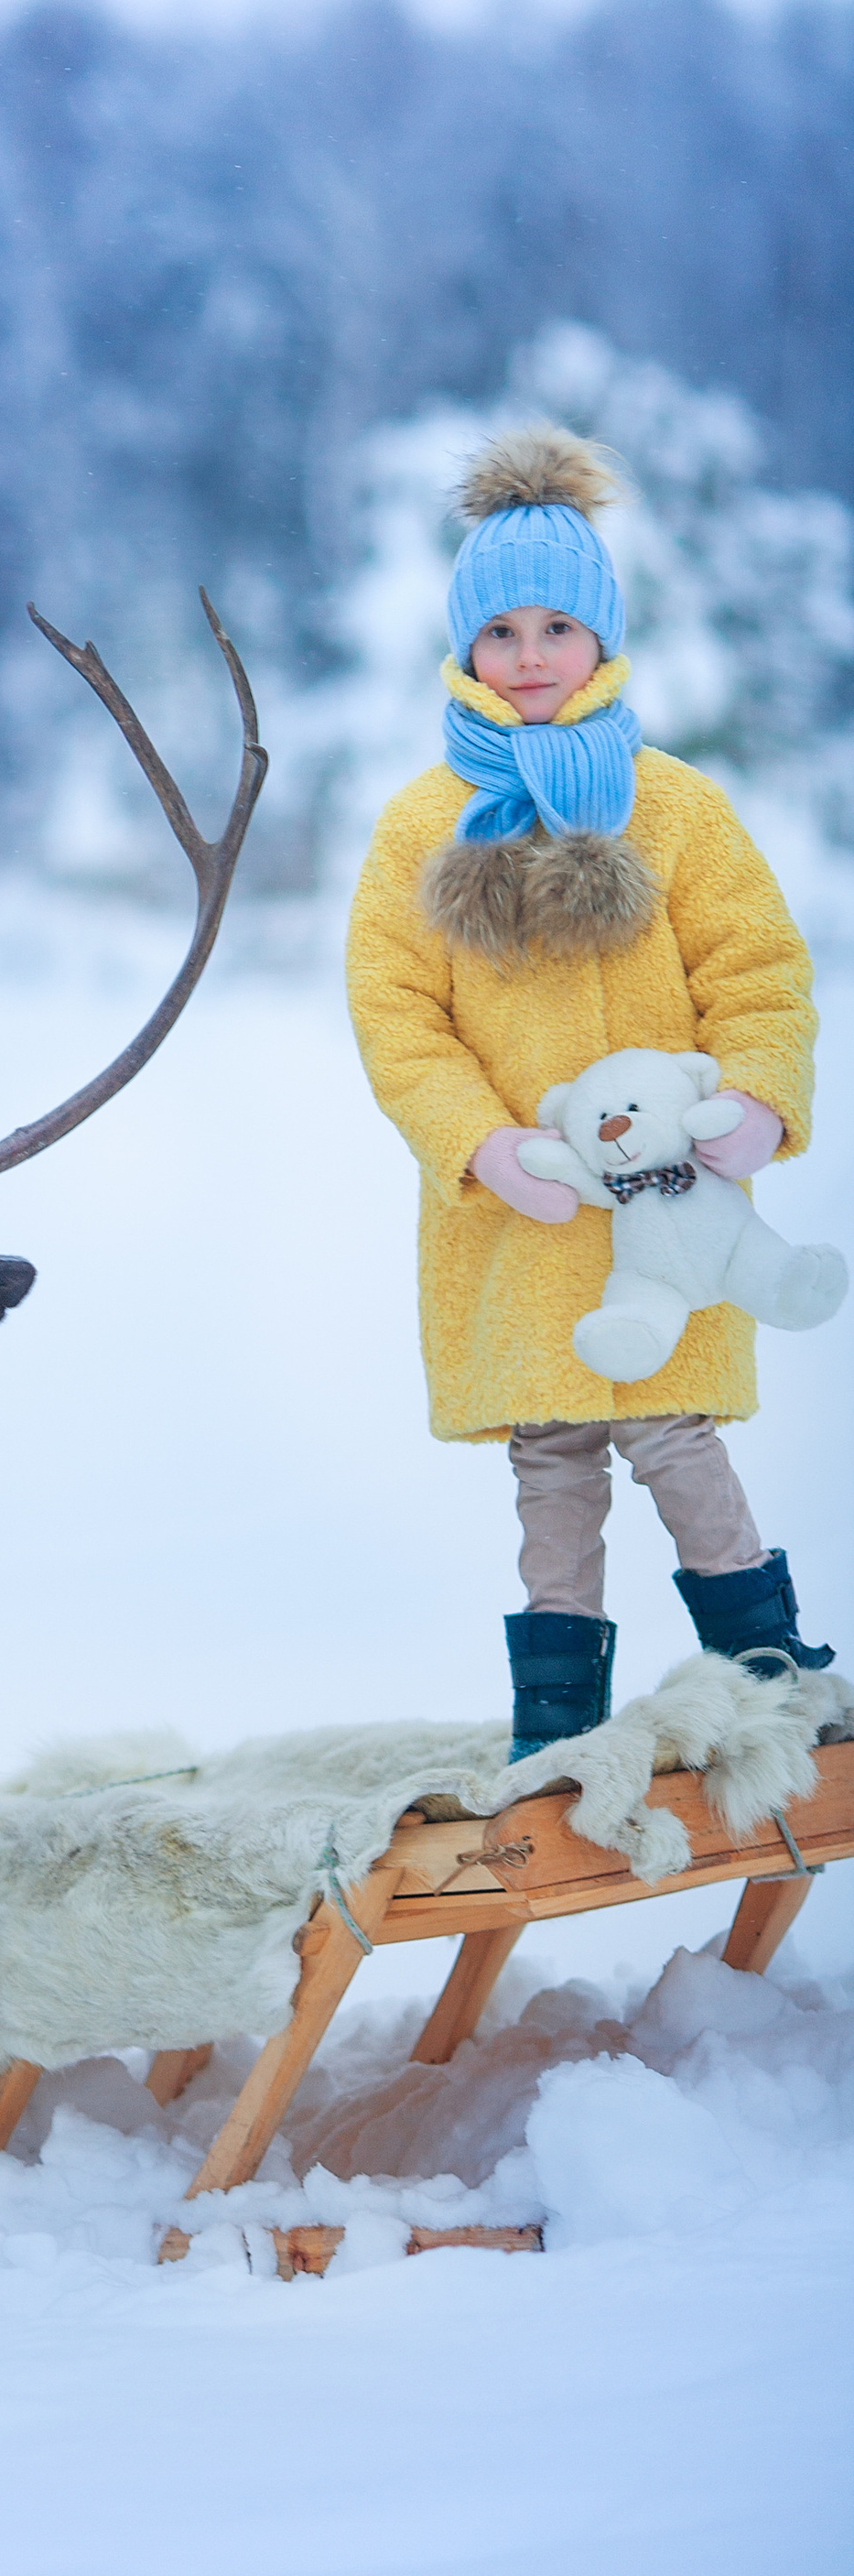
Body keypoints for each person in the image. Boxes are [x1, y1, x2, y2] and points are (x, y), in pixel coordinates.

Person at [346, 421, 835, 1755]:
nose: (530, 656)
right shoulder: (422, 823)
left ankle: (768, 1667)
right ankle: (556, 1711)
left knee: (677, 1433)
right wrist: (477, 1143)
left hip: (666, 1210)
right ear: (465, 649)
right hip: (523, 1221)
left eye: (557, 627)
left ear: (601, 638)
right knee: (552, 1459)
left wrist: (759, 1096)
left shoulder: (673, 809)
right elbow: (397, 1014)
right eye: (500, 632)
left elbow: (758, 970)